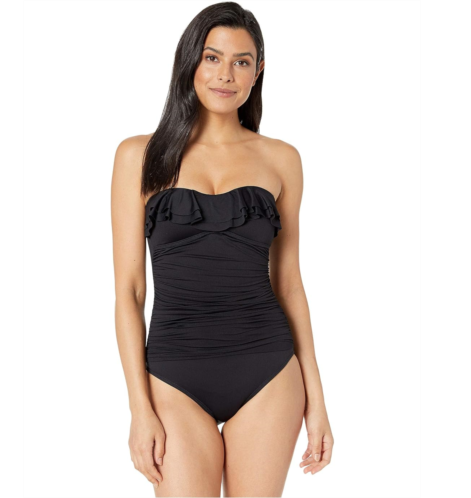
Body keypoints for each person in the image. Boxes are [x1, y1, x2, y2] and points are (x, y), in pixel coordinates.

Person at [111, 2, 334, 496]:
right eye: (212, 57)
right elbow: (129, 292)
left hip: (268, 370)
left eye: (241, 61)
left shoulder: (282, 159)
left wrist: (317, 402)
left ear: (259, 70)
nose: (225, 74)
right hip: (173, 375)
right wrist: (138, 408)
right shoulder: (138, 156)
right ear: (190, 60)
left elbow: (290, 285)